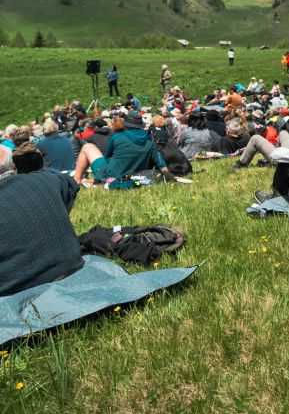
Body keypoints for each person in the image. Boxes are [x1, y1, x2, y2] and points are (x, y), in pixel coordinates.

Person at [0, 147, 85, 297]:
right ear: (13, 166)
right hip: (70, 270)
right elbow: (71, 185)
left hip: (14, 289)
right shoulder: (47, 180)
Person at [72, 111, 172, 184]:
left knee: (87, 147)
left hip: (111, 174)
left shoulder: (117, 137)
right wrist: (170, 177)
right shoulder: (149, 141)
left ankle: (76, 180)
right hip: (134, 175)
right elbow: (161, 165)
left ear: (126, 125)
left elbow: (107, 157)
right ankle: (89, 180)